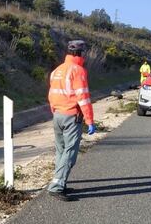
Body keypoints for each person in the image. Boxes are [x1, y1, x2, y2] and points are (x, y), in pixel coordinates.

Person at [47, 40, 96, 201]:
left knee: (61, 152)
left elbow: (51, 94)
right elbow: (83, 98)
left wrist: (54, 110)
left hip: (57, 115)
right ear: (82, 53)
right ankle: (56, 187)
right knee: (70, 153)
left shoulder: (57, 70)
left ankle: (60, 182)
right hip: (71, 116)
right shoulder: (78, 70)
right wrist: (89, 121)